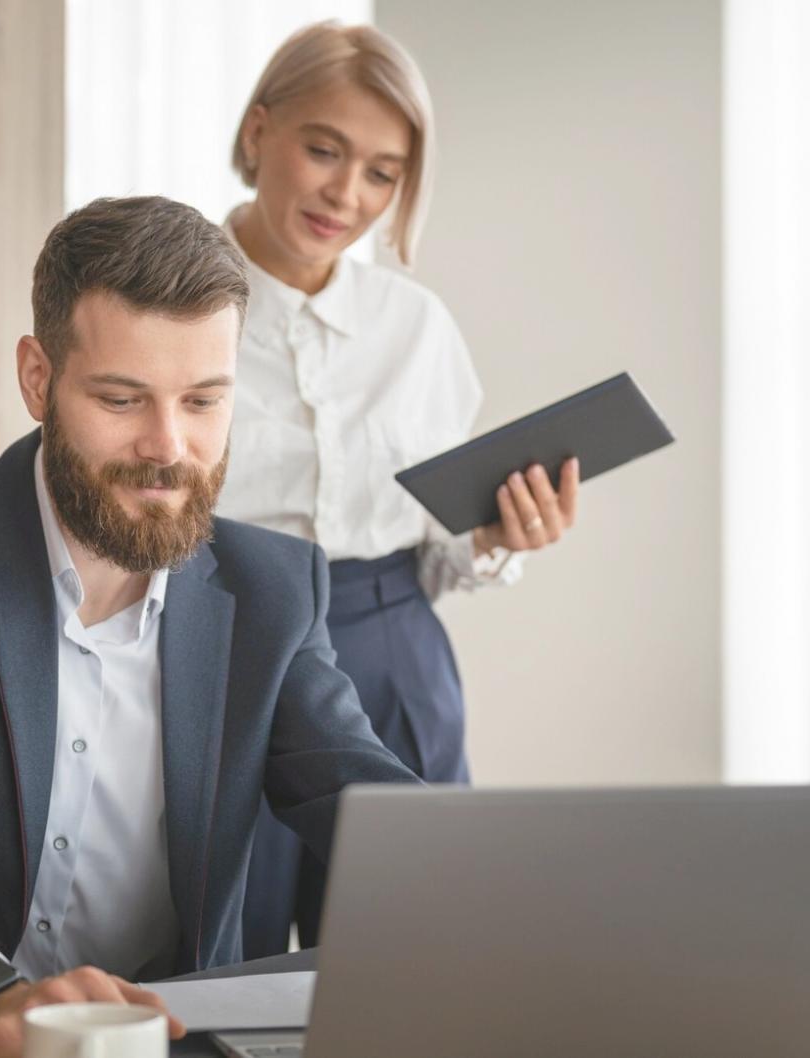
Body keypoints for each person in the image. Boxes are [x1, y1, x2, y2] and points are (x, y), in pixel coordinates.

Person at [0, 196, 418, 1058]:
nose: (168, 446)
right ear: (37, 379)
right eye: (123, 399)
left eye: (204, 401)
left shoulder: (277, 593)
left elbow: (376, 810)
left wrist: (533, 910)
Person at [219, 21, 582, 957]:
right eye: (324, 149)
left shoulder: (415, 327)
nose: (347, 193)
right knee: (223, 949)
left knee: (416, 953)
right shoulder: (173, 296)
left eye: (382, 172)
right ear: (260, 132)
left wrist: (501, 535)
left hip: (392, 651)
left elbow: (440, 544)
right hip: (223, 646)